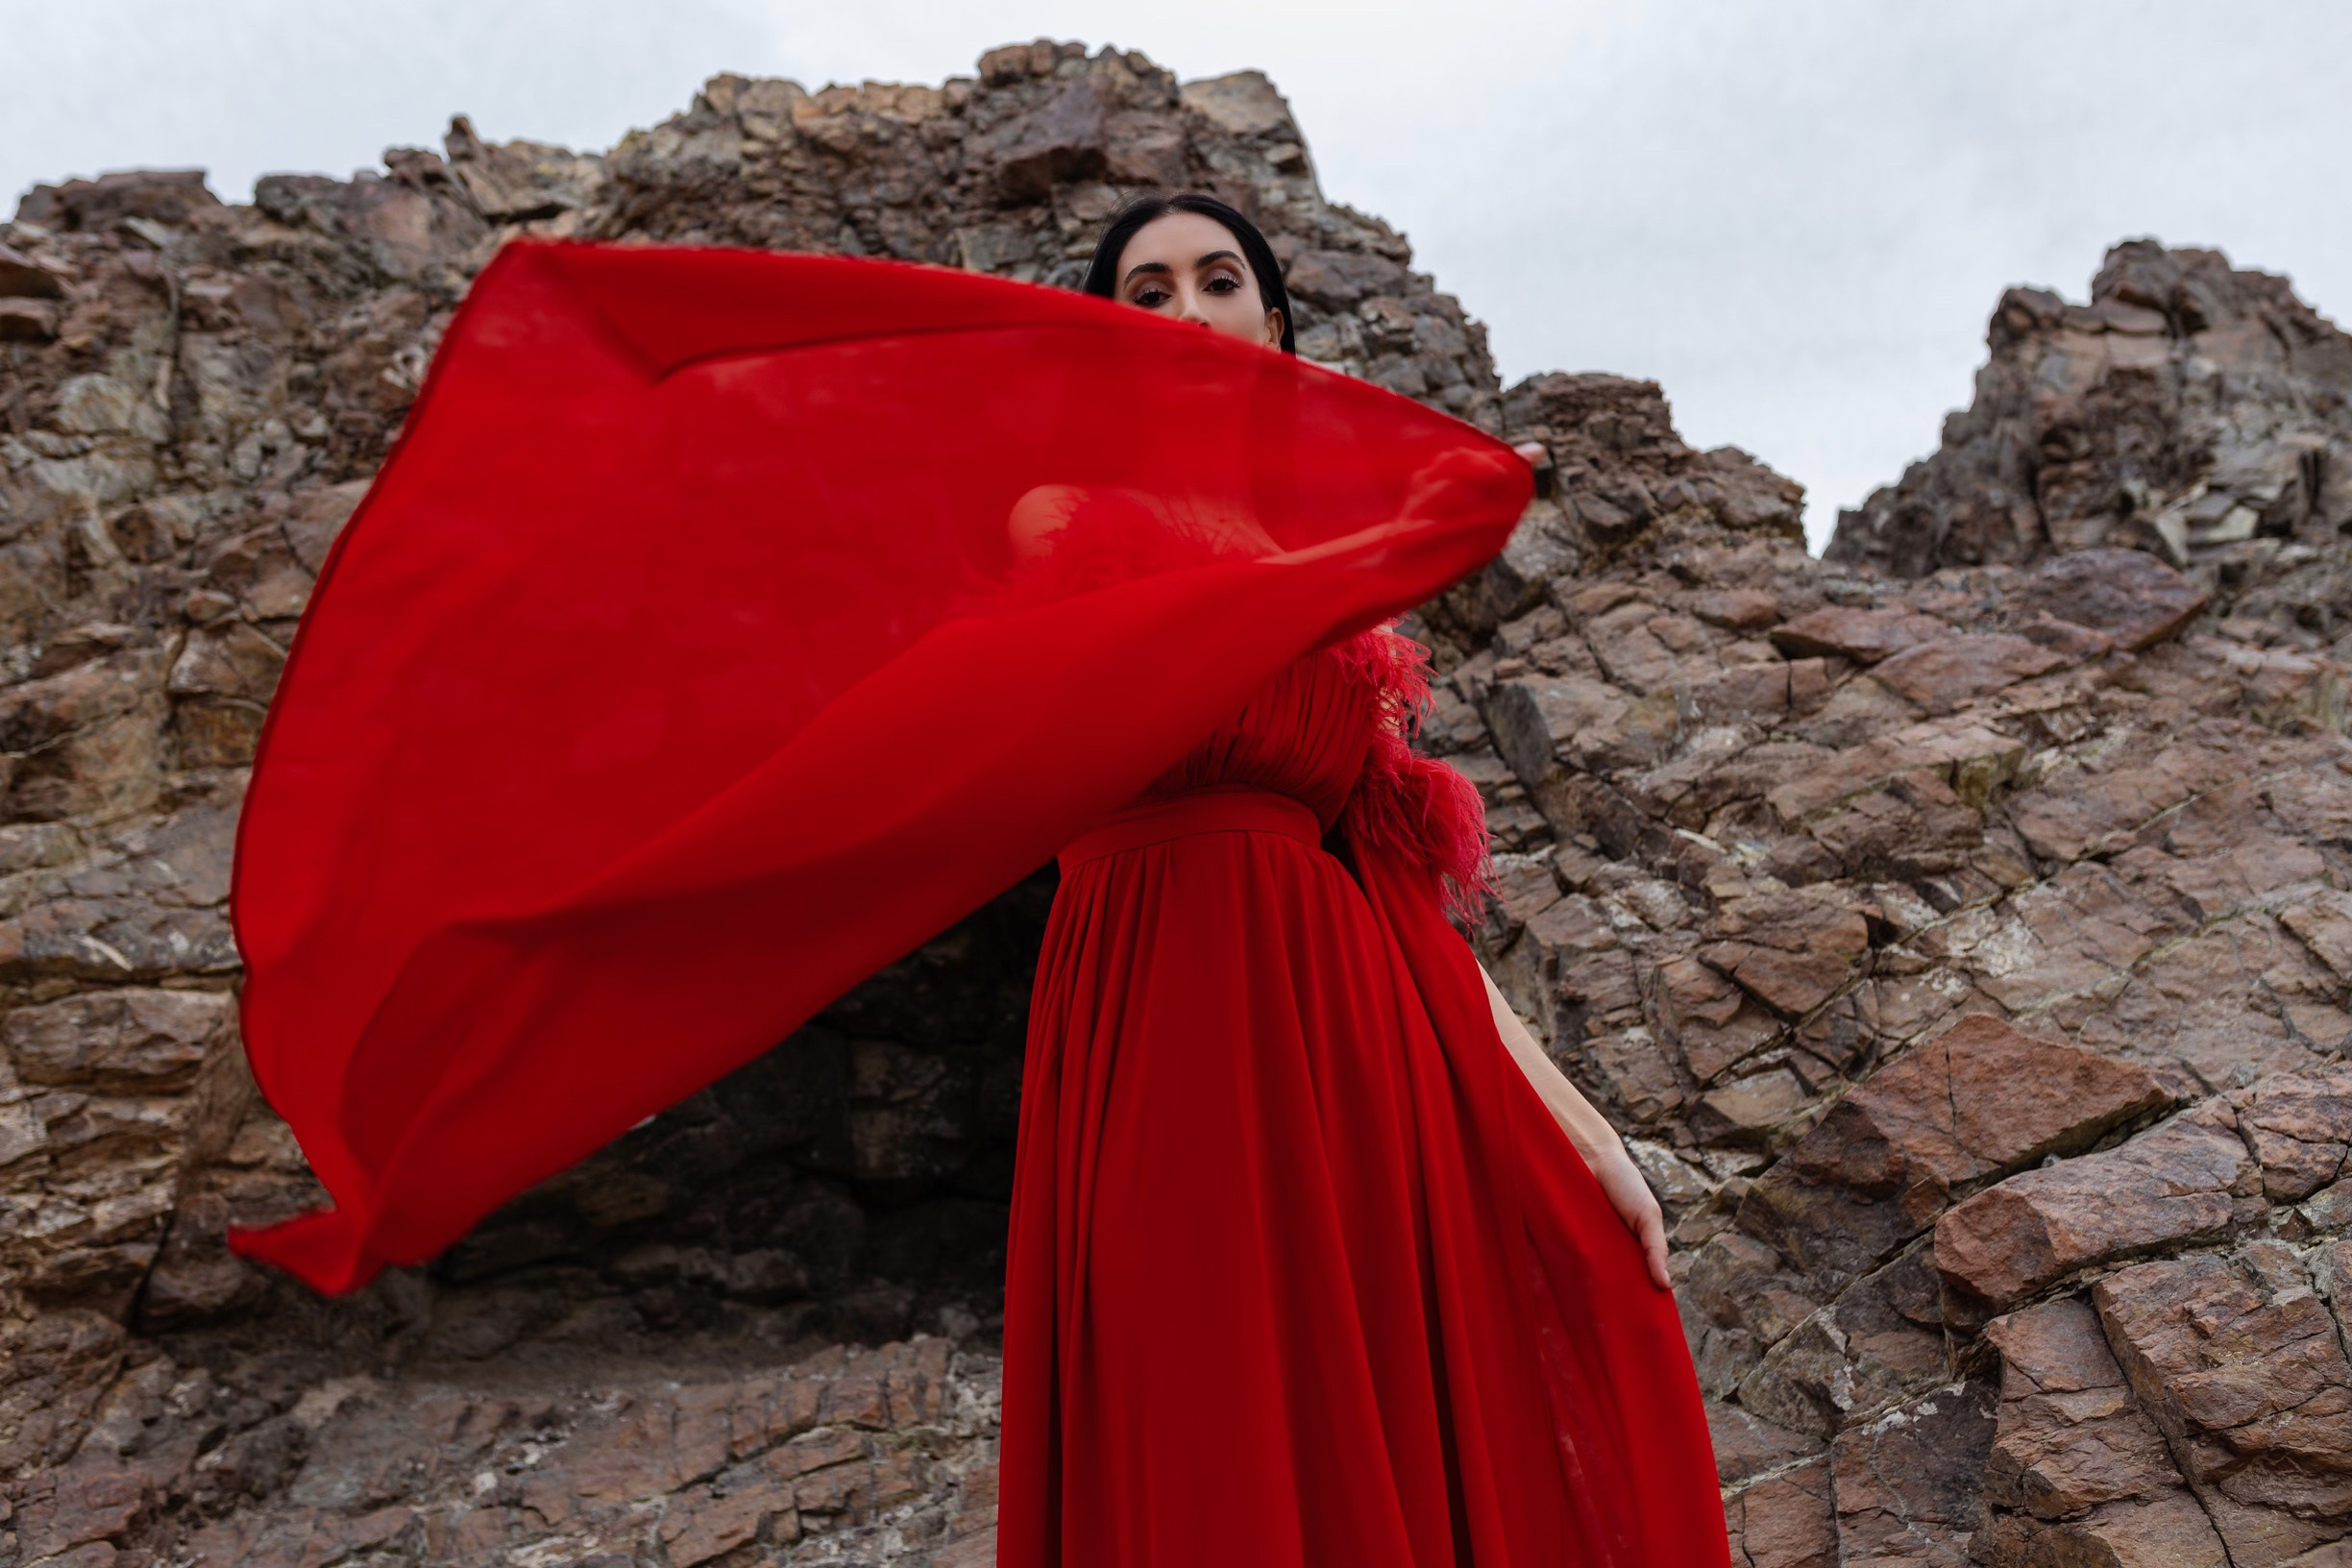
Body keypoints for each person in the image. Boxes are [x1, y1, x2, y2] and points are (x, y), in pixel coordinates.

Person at [993, 193, 1726, 1566]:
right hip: (1158, 1018)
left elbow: (1406, 899)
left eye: (1219, 283)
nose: (1187, 309)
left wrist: (1583, 1130)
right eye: (1145, 294)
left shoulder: (1341, 592)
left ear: (1270, 321)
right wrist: (1376, 514)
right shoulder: (1062, 520)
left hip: (1347, 1044)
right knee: (1208, 1422)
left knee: (1405, 1418)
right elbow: (1150, 675)